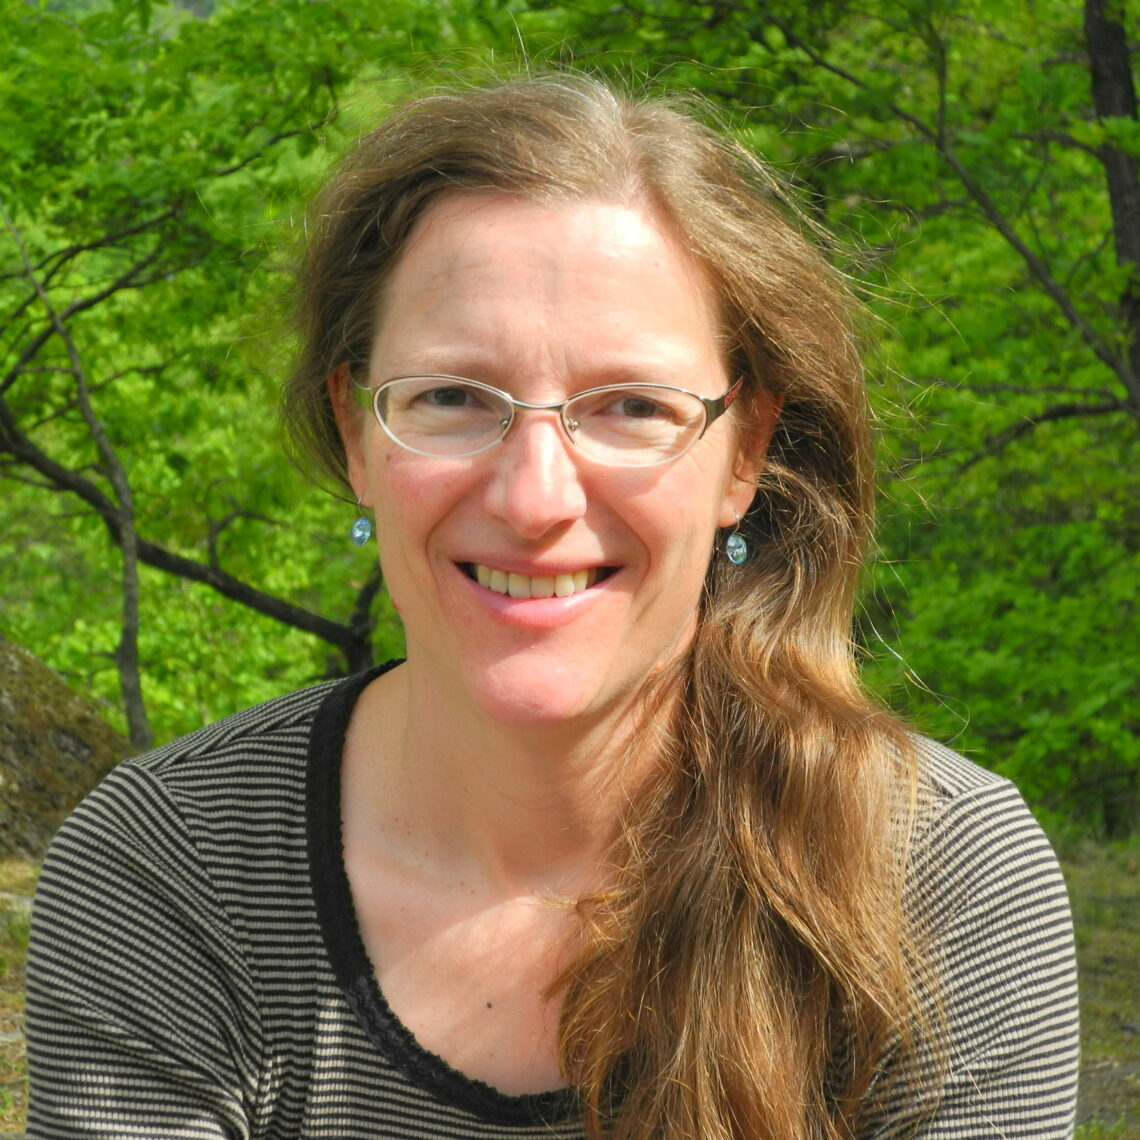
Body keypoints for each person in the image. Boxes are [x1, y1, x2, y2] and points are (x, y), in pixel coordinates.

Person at [25, 75, 1079, 1139]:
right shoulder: (172, 868)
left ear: (745, 451)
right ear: (356, 435)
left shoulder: (936, 881)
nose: (536, 498)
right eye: (451, 398)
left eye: (630, 407)